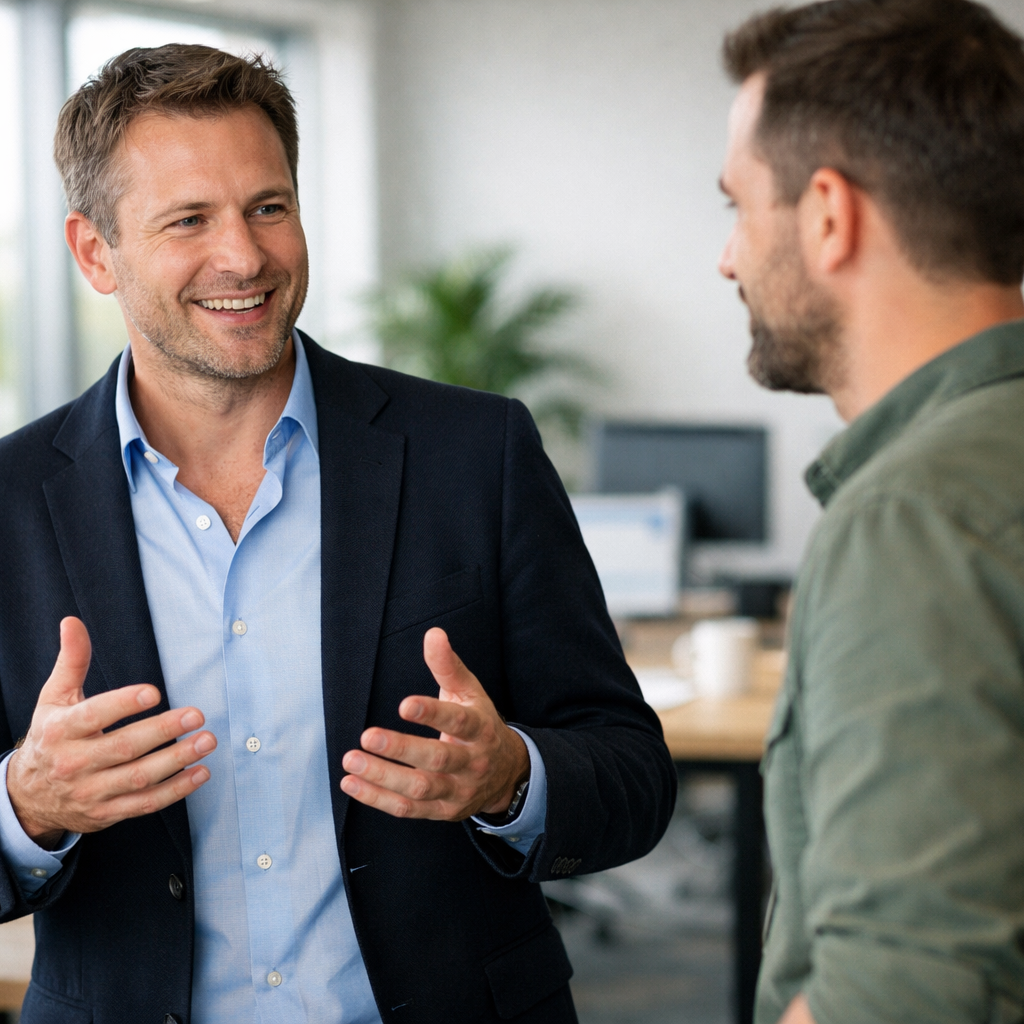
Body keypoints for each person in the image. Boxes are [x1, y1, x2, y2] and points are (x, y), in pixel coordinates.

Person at [0, 45, 676, 1023]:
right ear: (94, 251)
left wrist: (509, 776)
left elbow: (630, 772)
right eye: (189, 219)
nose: (245, 255)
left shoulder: (474, 452)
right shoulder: (11, 501)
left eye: (268, 206)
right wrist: (26, 805)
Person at [717, 1, 1024, 1022]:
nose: (727, 258)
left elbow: (898, 988)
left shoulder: (914, 518)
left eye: (737, 207)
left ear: (828, 216)